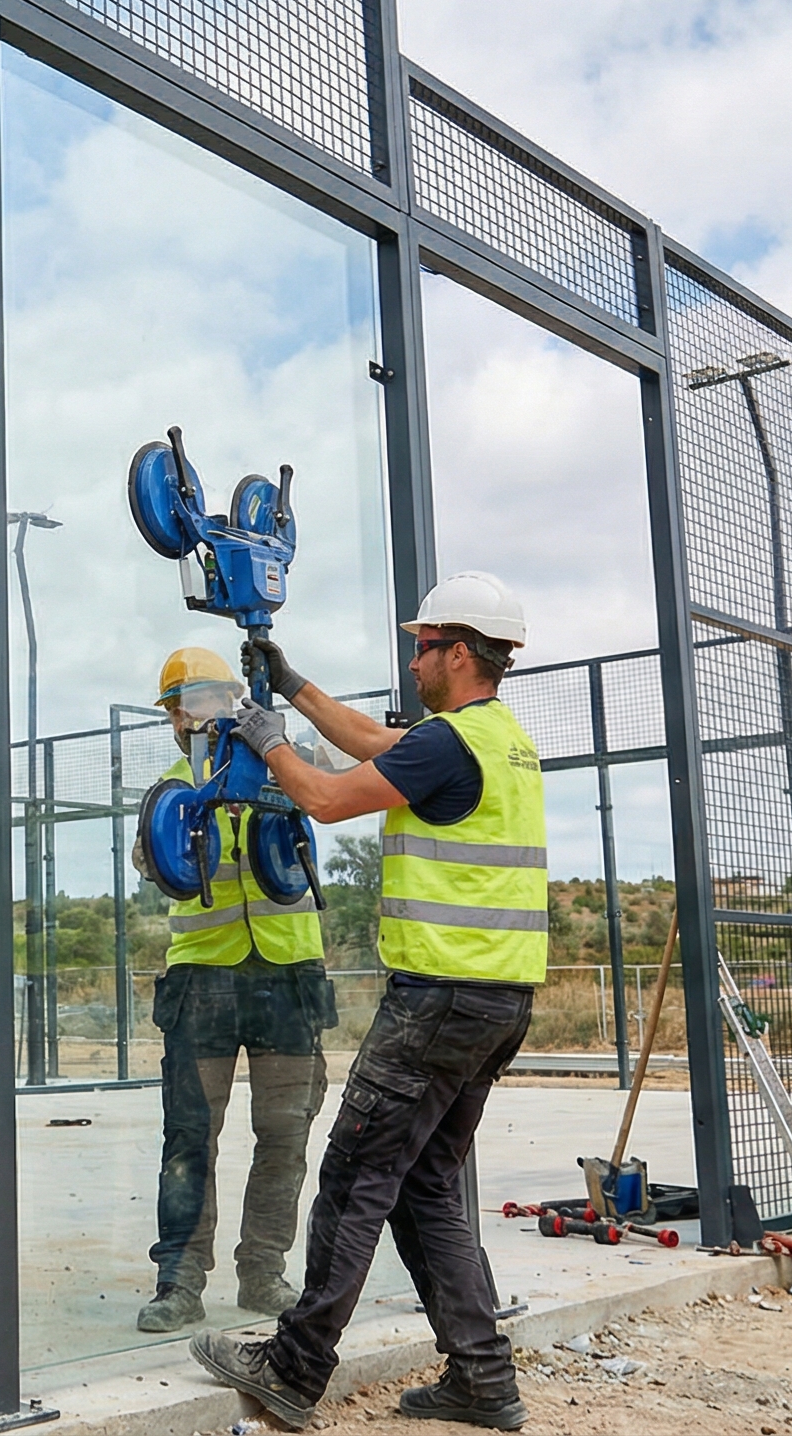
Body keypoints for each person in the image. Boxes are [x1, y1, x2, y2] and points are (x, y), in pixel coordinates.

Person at [187, 572, 547, 1432]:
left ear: (459, 654)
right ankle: (482, 1379)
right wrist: (292, 683)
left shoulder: (449, 743)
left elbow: (325, 798)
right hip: (497, 1000)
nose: (414, 659)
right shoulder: (498, 739)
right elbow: (378, 742)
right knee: (426, 1184)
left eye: (425, 647)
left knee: (355, 1177)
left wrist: (271, 742)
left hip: (439, 1001)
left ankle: (293, 1367)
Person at [135, 646, 331, 1334]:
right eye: (176, 710)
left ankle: (264, 1272)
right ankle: (179, 1281)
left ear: (231, 699)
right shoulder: (169, 788)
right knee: (189, 1136)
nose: (185, 720)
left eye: (196, 703)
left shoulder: (285, 761)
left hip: (289, 974)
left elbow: (341, 776)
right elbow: (151, 860)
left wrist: (279, 741)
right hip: (203, 979)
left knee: (285, 1134)